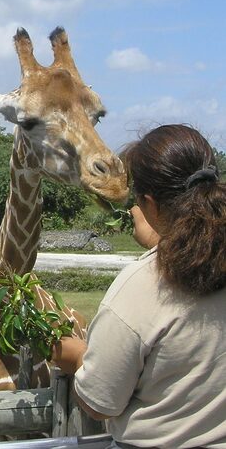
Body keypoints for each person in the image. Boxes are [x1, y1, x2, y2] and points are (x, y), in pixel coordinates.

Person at [52, 124, 225, 448]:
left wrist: (77, 358)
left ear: (150, 204)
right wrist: (159, 240)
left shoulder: (139, 290)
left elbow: (99, 402)